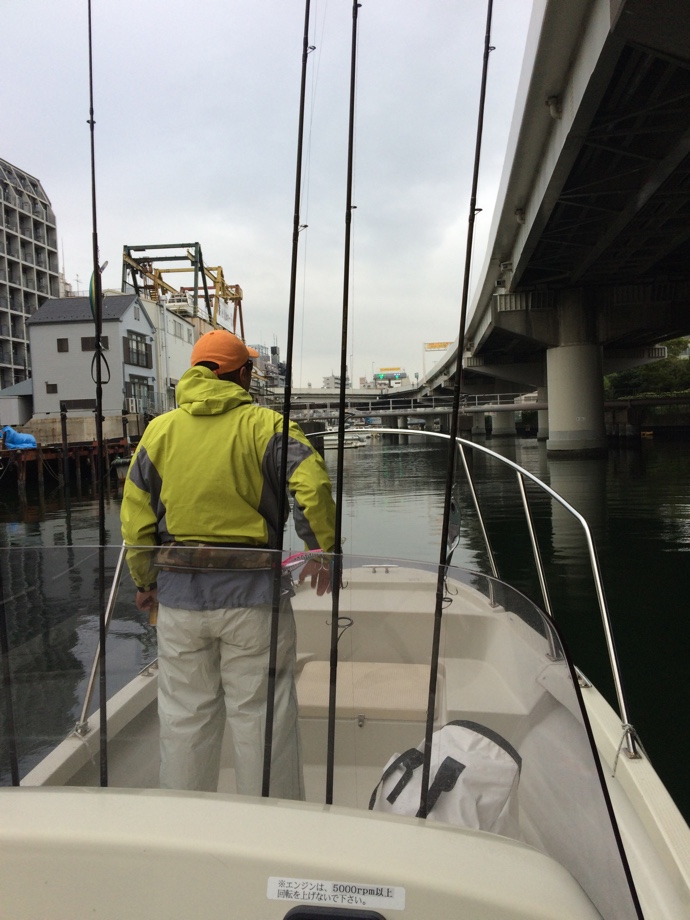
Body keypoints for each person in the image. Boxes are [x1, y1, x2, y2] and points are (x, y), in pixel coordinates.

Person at [120, 329, 336, 799]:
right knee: (262, 716)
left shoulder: (158, 432)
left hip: (179, 602)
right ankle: (270, 822)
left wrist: (146, 581)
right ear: (243, 374)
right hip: (253, 601)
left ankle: (186, 820)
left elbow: (135, 519)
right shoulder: (268, 426)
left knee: (184, 717)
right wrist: (320, 550)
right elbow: (313, 486)